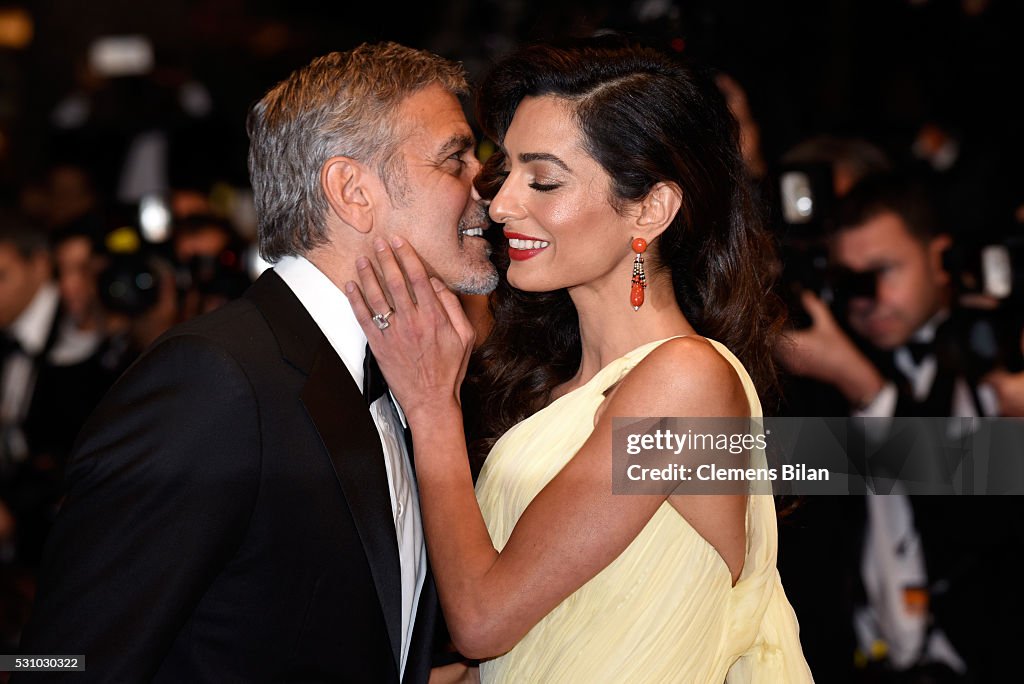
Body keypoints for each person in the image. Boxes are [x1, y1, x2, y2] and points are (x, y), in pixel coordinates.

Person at [18, 42, 495, 683]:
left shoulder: (411, 375)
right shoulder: (214, 383)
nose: (486, 186)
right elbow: (57, 662)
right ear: (353, 191)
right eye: (455, 159)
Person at [345, 39, 812, 682]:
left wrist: (430, 408)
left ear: (650, 208)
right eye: (504, 171)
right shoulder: (559, 389)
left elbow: (482, 620)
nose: (502, 203)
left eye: (544, 180)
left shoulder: (687, 380)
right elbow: (526, 655)